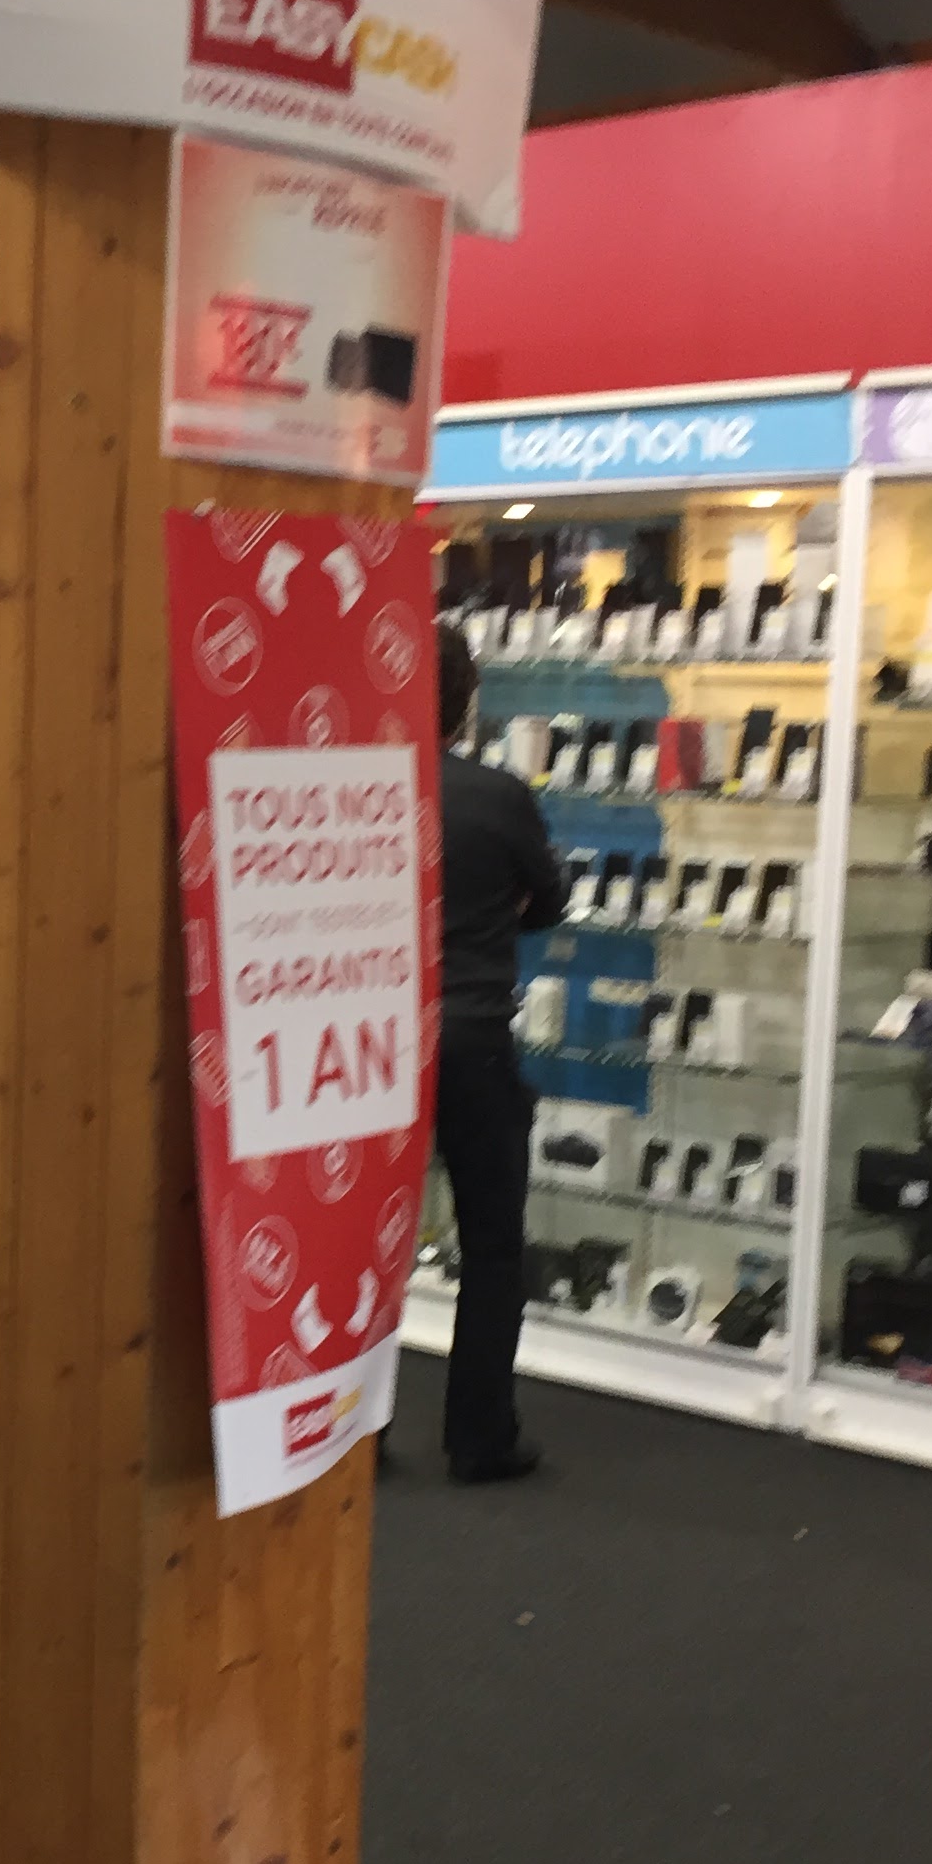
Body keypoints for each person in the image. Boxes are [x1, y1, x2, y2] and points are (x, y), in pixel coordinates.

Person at [433, 619, 564, 1484]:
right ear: (467, 701)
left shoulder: (357, 785)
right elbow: (548, 901)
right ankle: (479, 1436)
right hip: (474, 1034)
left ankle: (350, 1431)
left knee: (362, 1244)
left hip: (374, 1043)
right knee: (490, 1245)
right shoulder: (498, 796)